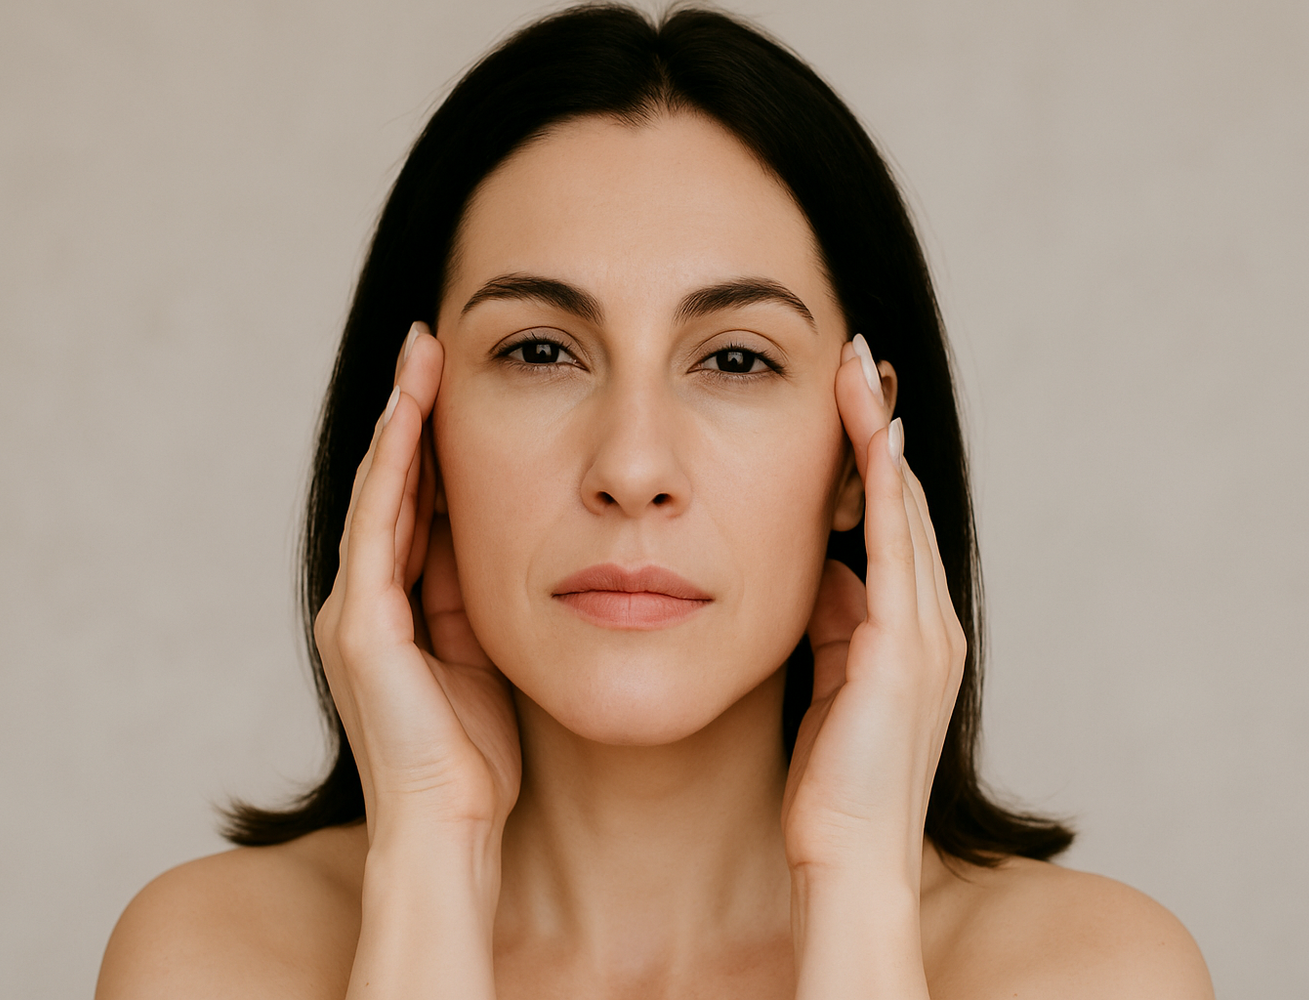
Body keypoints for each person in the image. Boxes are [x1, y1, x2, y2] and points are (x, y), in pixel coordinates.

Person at [95, 5, 1213, 997]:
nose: (632, 466)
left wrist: (858, 889)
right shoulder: (212, 961)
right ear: (418, 433)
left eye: (734, 360)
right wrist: (431, 861)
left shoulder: (1094, 974)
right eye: (541, 349)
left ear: (853, 453)